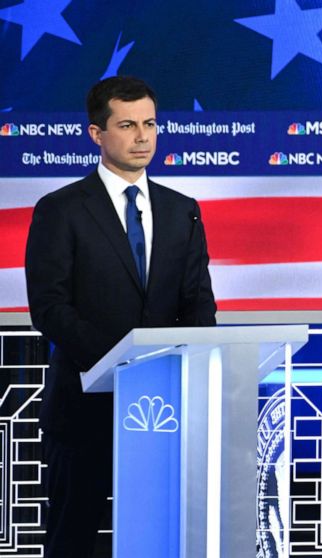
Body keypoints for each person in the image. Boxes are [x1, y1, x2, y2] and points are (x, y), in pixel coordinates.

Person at [24, 76, 216, 557]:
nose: (142, 136)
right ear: (97, 134)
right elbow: (49, 307)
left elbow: (199, 306)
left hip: (167, 412)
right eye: (127, 125)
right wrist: (121, 364)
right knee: (73, 541)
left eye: (149, 123)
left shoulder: (182, 212)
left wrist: (170, 366)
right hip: (83, 412)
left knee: (162, 539)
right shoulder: (60, 210)